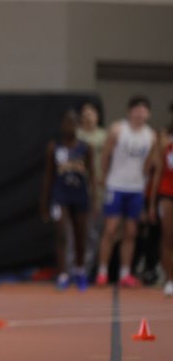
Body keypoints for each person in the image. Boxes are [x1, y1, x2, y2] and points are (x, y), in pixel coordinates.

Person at [95, 96, 158, 287]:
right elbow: (105, 154)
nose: (140, 113)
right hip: (116, 185)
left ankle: (125, 273)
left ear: (148, 113)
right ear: (129, 111)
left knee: (131, 231)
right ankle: (102, 271)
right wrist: (105, 177)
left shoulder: (151, 135)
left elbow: (150, 163)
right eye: (136, 109)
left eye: (143, 110)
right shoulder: (118, 129)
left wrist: (144, 180)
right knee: (111, 229)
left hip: (136, 188)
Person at [40, 110, 94, 291]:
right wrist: (44, 203)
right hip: (60, 194)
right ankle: (63, 274)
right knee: (62, 233)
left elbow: (92, 175)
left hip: (79, 194)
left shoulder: (85, 148)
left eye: (73, 123)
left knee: (80, 235)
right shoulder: (54, 147)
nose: (69, 127)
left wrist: (93, 198)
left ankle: (79, 270)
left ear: (78, 127)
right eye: (66, 123)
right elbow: (48, 176)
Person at [77, 101, 108, 271]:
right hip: (76, 188)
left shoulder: (104, 136)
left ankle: (88, 269)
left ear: (97, 116)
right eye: (85, 113)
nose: (88, 117)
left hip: (97, 188)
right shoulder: (75, 135)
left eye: (92, 113)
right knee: (75, 230)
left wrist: (103, 176)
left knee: (93, 231)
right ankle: (72, 268)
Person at [151, 102, 173, 297]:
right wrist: (151, 202)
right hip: (167, 192)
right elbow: (157, 170)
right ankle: (169, 279)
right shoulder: (165, 137)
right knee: (167, 237)